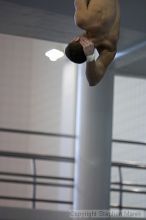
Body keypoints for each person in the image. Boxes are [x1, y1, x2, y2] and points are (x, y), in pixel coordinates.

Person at [65, 0, 120, 86]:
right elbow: (92, 81)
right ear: (75, 39)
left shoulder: (110, 47)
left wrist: (90, 56)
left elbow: (93, 81)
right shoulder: (82, 20)